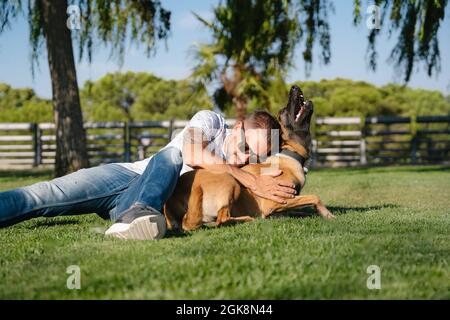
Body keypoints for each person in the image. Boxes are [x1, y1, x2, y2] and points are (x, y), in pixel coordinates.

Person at [0, 110, 297, 240]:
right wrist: (246, 176)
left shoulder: (244, 172)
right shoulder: (212, 121)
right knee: (45, 195)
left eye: (254, 157)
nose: (245, 158)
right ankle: (140, 214)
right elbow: (193, 154)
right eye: (246, 146)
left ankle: (136, 215)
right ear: (238, 128)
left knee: (163, 174)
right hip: (127, 175)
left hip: (144, 201)